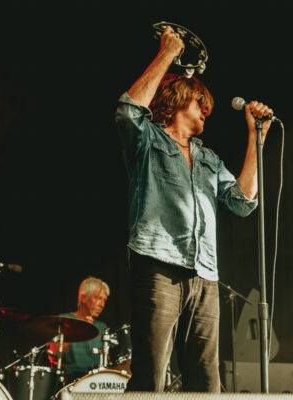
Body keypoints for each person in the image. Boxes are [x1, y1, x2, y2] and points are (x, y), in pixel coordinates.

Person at [115, 25, 274, 392]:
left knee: (206, 382)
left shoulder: (208, 158)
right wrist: (167, 54)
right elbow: (127, 112)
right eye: (200, 103)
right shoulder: (148, 140)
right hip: (158, 264)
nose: (206, 111)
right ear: (178, 99)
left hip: (205, 274)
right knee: (150, 378)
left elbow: (243, 202)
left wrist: (257, 136)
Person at [48, 276, 110, 381]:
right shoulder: (63, 320)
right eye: (98, 298)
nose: (102, 305)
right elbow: (53, 354)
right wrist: (77, 330)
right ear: (83, 298)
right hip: (70, 380)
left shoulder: (102, 327)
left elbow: (107, 361)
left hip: (97, 380)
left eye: (104, 300)